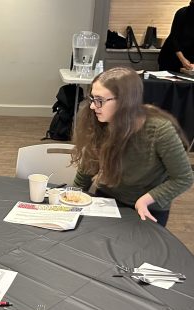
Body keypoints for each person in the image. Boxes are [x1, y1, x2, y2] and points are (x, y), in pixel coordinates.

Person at [71, 67, 193, 227]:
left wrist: (145, 200)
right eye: (92, 99)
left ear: (124, 102)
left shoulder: (159, 130)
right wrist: (73, 195)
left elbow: (184, 178)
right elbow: (89, 164)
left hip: (147, 206)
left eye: (99, 100)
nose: (93, 106)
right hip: (108, 198)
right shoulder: (100, 122)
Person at [158, 1, 194, 72]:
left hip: (189, 59)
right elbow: (174, 38)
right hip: (172, 56)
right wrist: (182, 59)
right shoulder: (183, 13)